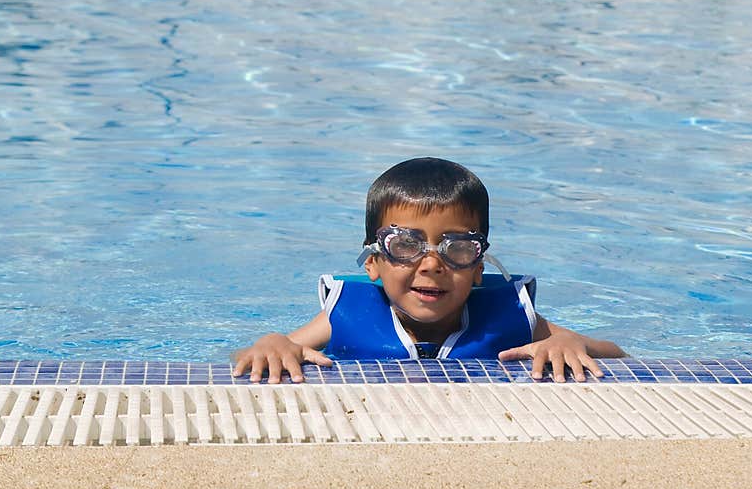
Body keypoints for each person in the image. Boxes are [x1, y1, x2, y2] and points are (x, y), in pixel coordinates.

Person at [233, 157, 627, 384]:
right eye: (405, 245)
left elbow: (618, 355)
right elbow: (251, 356)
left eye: (457, 248)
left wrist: (571, 343)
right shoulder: (346, 316)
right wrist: (271, 342)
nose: (432, 264)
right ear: (372, 262)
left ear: (478, 268)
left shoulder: (511, 319)